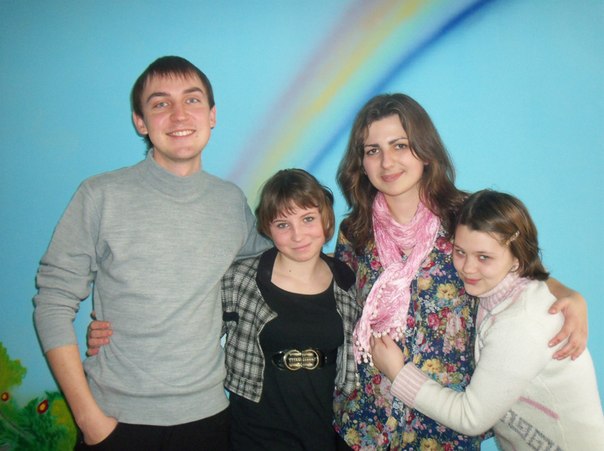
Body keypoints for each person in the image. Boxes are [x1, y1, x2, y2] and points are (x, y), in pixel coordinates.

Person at [33, 56, 270, 451]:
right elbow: (52, 302)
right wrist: (89, 420)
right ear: (140, 122)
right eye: (161, 103)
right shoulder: (101, 195)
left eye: (192, 100)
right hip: (115, 420)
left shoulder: (230, 203)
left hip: (209, 419)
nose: (179, 114)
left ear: (212, 115)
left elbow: (272, 271)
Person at [331, 93, 588, 450]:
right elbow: (340, 308)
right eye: (373, 150)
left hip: (444, 428)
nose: (387, 162)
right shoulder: (355, 231)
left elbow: (524, 274)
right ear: (361, 162)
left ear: (425, 151)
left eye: (400, 145)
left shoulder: (464, 216)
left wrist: (571, 296)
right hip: (367, 425)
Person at [88, 169, 361, 450]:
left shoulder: (347, 282)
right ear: (267, 229)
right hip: (255, 435)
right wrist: (119, 329)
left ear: (326, 219)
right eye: (283, 224)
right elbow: (182, 323)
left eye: (308, 219)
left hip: (323, 431)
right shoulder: (239, 279)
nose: (298, 235)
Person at [372, 189, 604, 450]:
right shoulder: (501, 292)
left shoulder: (522, 322)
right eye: (460, 252)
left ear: (517, 258)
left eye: (484, 257)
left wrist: (397, 372)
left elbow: (470, 418)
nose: (468, 268)